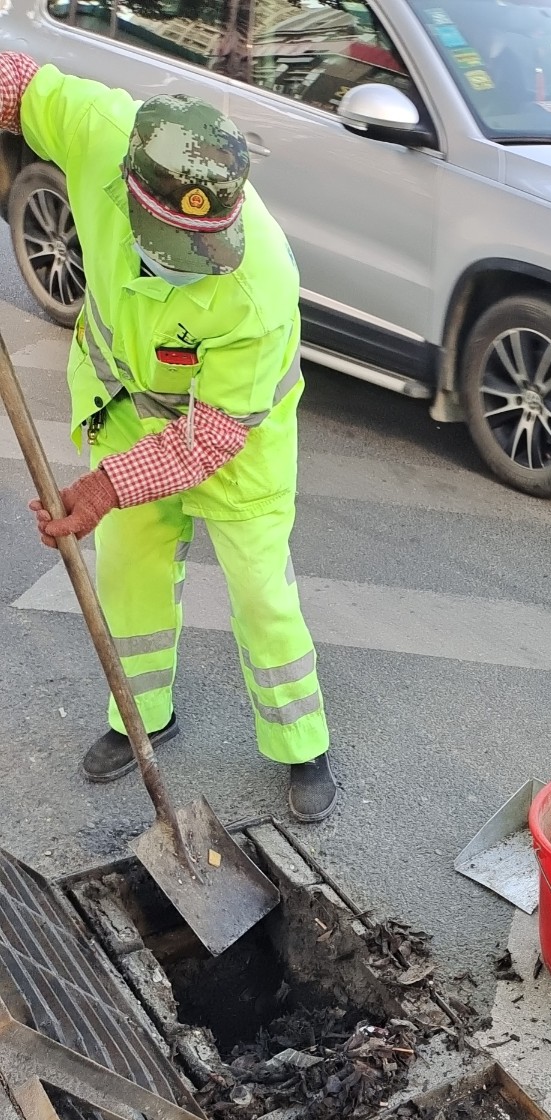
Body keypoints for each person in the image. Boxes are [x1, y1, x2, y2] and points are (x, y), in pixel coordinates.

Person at [0, 53, 335, 822]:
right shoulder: (101, 130)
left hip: (237, 439)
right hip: (124, 403)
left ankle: (301, 742)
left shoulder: (259, 285)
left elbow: (208, 436)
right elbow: (14, 83)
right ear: (132, 193)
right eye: (180, 246)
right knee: (129, 574)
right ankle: (140, 717)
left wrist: (101, 489)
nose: (200, 264)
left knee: (262, 594)